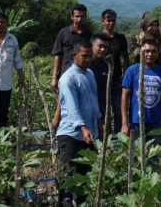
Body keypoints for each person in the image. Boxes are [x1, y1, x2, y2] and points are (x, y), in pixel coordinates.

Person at [56, 41, 102, 202]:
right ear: (74, 56)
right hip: (71, 134)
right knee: (67, 176)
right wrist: (83, 129)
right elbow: (71, 107)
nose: (88, 59)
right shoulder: (67, 78)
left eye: (90, 56)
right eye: (84, 56)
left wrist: (99, 125)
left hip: (88, 133)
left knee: (85, 177)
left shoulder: (89, 74)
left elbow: (94, 103)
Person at [121, 39, 161, 140]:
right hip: (136, 122)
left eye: (154, 51)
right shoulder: (132, 70)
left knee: (155, 154)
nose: (150, 54)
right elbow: (124, 97)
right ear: (140, 52)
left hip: (156, 123)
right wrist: (124, 123)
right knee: (137, 153)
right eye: (147, 51)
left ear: (158, 53)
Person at [51, 4, 93, 127]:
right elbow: (57, 55)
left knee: (81, 102)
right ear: (72, 17)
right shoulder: (64, 33)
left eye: (82, 16)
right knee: (62, 103)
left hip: (83, 75)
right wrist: (54, 77)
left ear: (85, 17)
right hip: (66, 74)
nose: (79, 19)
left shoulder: (89, 35)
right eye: (77, 16)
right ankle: (58, 126)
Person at [101, 9, 129, 133]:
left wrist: (126, 76)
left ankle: (118, 136)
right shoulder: (98, 37)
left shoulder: (121, 38)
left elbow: (125, 58)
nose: (111, 23)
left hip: (117, 78)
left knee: (118, 109)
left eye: (113, 20)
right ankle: (104, 135)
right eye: (108, 20)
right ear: (103, 21)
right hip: (101, 78)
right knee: (102, 109)